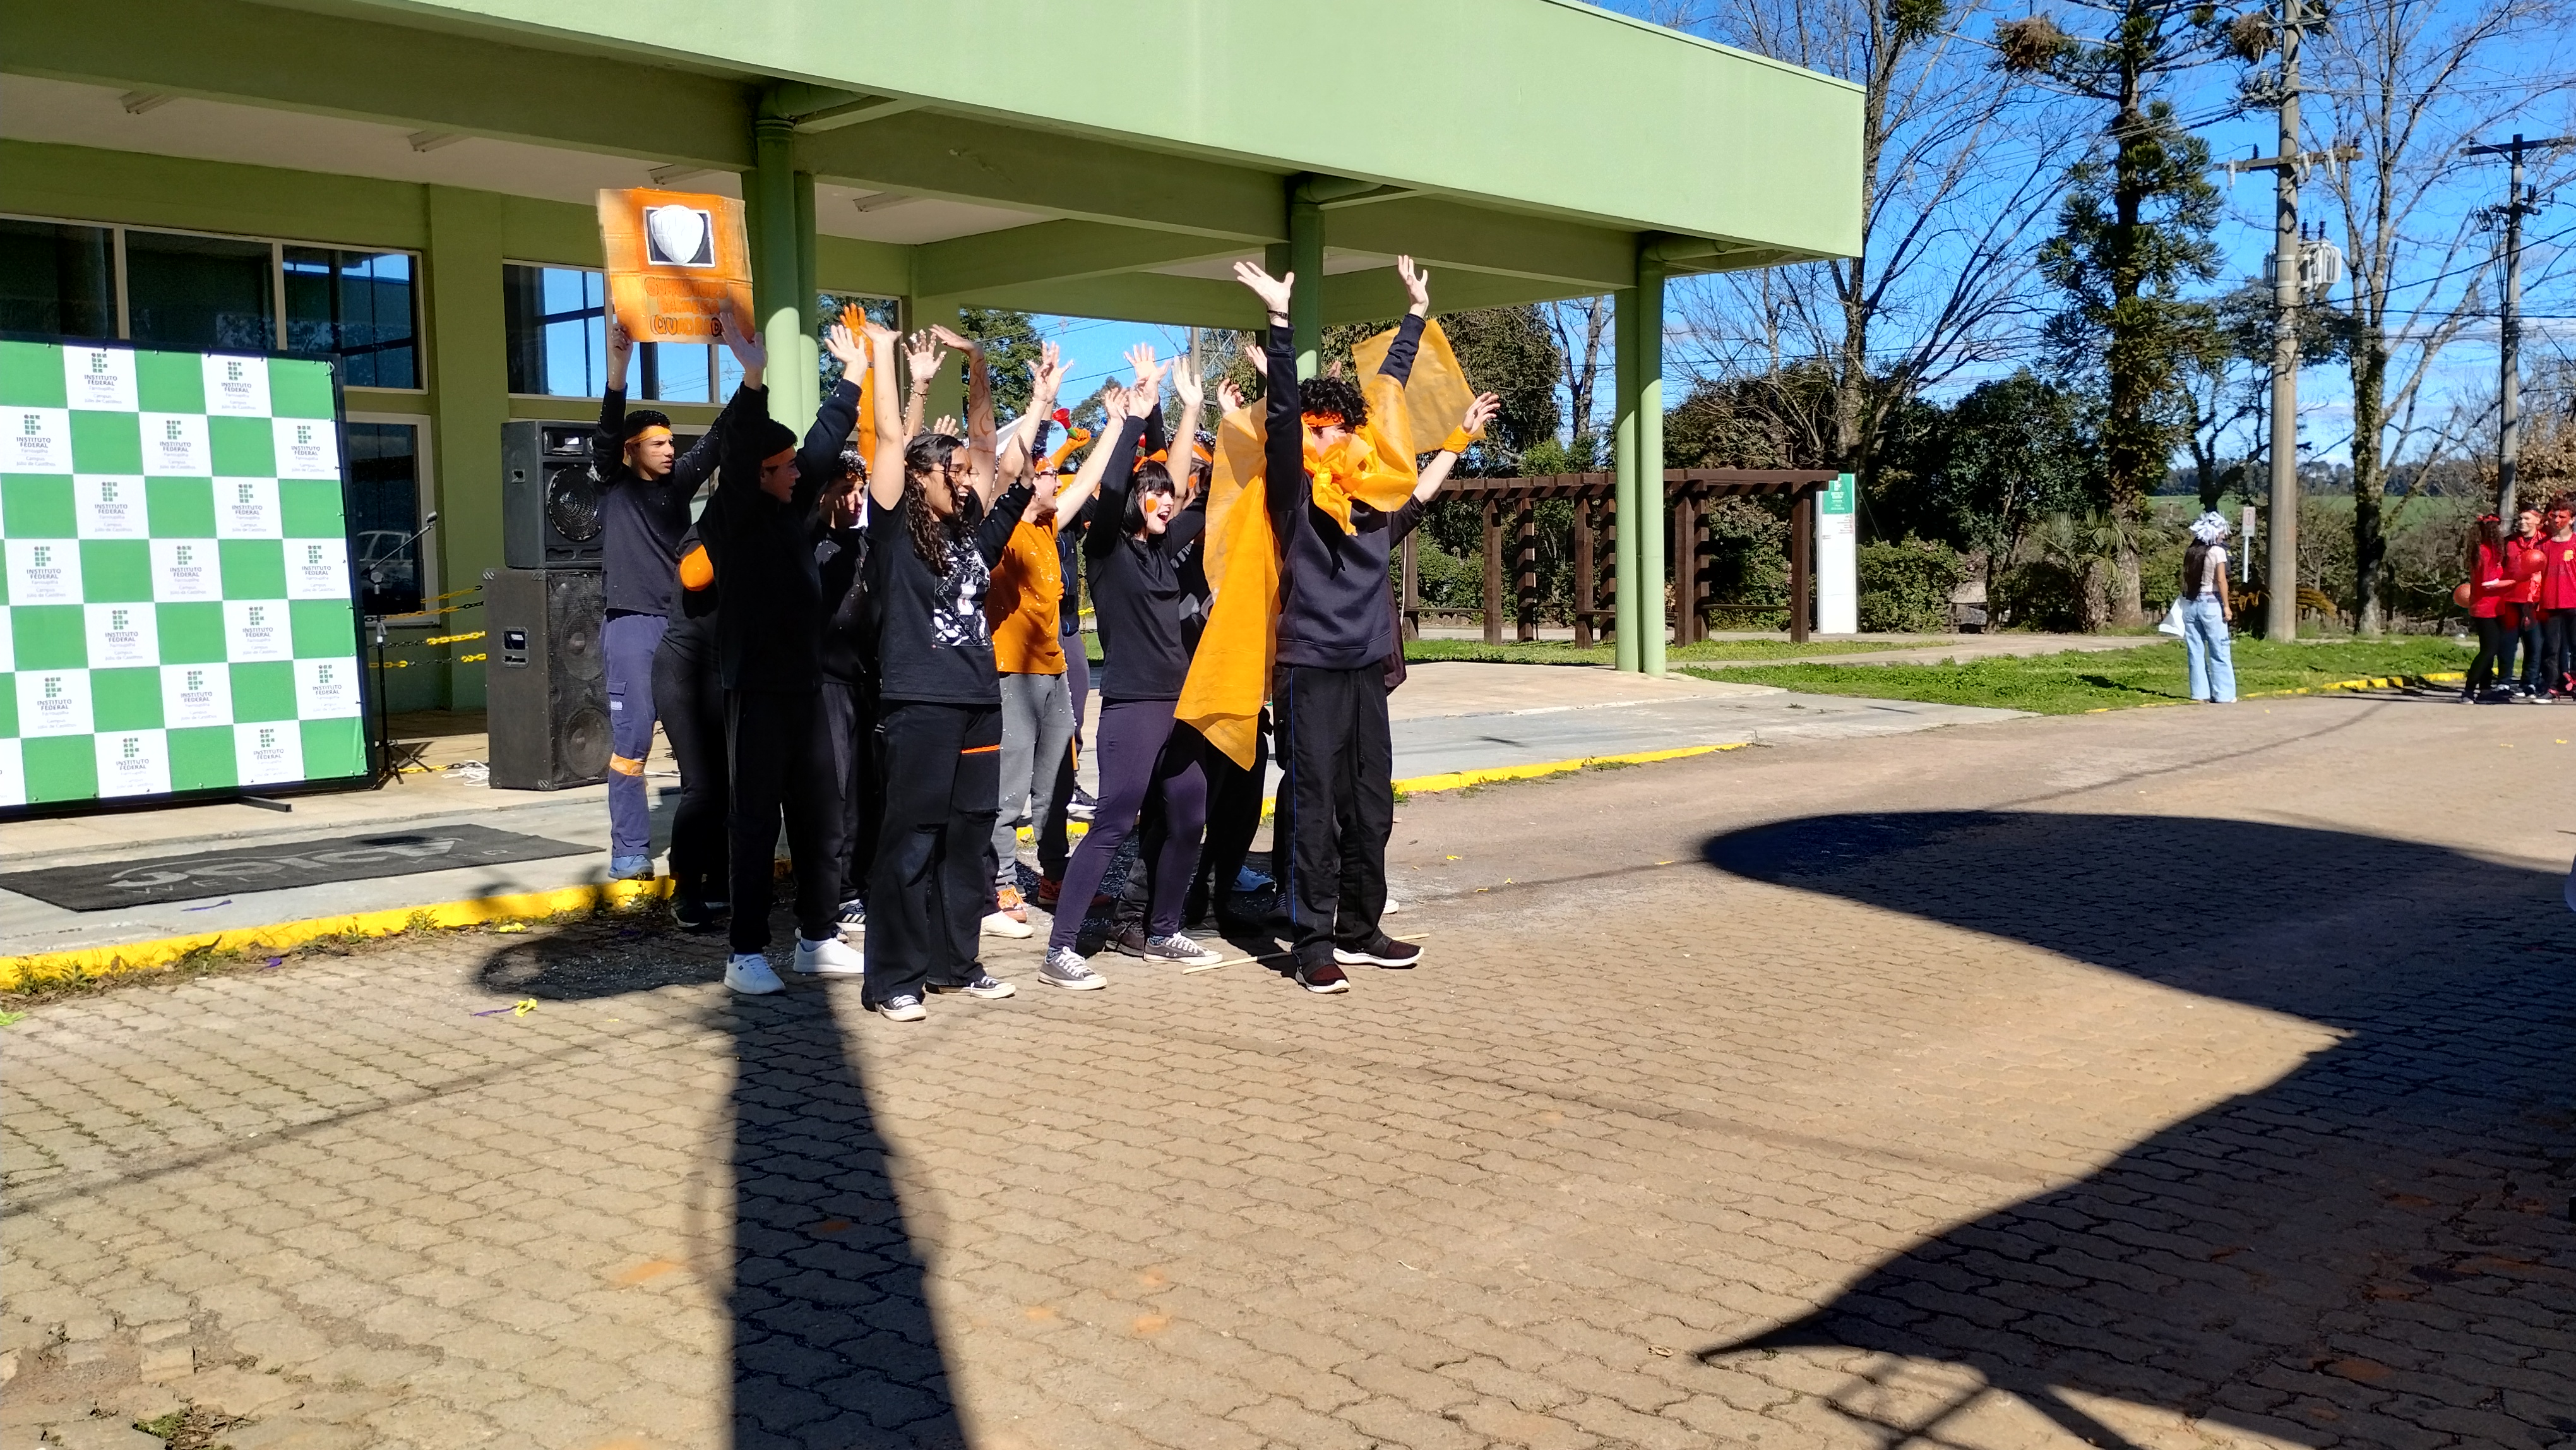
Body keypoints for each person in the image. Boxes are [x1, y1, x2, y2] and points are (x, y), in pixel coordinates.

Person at [1209, 256, 1494, 993]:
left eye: (1341, 428)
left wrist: (1417, 322)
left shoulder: (1374, 503)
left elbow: (1396, 419)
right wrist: (1279, 323)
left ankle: (1360, 929)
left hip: (1365, 667)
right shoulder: (1292, 498)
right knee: (1313, 807)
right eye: (1319, 430)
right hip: (1309, 667)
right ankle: (1311, 943)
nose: (1330, 439)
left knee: (1371, 806)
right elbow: (1280, 422)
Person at [856, 321, 1062, 1019]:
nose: (966, 477)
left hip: (979, 701)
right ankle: (894, 979)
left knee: (970, 837)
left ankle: (955, 964)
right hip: (919, 703)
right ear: (920, 478)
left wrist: (1032, 402)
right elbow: (891, 439)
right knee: (911, 839)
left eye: (968, 472)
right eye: (952, 470)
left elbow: (1005, 464)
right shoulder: (893, 529)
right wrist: (884, 355)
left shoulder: (973, 534)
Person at [1043, 351, 1231, 981]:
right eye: (1154, 496)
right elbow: (1120, 486)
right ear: (1132, 502)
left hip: (1181, 704)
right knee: (1114, 821)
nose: (1165, 503)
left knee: (1190, 816)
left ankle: (1163, 930)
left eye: (1169, 497)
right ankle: (1060, 949)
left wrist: (1207, 413)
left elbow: (1204, 492)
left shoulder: (1165, 544)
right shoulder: (1105, 550)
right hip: (1133, 705)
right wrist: (1133, 419)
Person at [700, 315, 870, 995]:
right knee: (754, 820)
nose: (799, 471)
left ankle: (816, 937)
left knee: (820, 814)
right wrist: (752, 377)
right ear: (758, 474)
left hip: (805, 687)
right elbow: (742, 446)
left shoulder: (793, 507)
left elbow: (824, 444)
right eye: (785, 465)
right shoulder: (733, 517)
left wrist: (854, 375)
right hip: (757, 689)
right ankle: (744, 952)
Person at [595, 314, 723, 880]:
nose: (671, 450)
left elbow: (718, 439)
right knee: (632, 741)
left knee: (701, 739)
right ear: (631, 451)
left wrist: (752, 372)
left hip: (680, 627)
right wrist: (619, 368)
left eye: (672, 442)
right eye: (659, 443)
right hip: (631, 626)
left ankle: (707, 853)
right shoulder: (613, 483)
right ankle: (629, 850)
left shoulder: (680, 483)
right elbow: (605, 432)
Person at [983, 418, 1078, 939]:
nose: (1057, 481)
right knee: (1010, 789)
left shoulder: (1047, 526)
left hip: (1053, 671)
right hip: (1012, 673)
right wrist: (1038, 407)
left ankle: (1054, 877)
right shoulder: (1005, 532)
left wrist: (1120, 425)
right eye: (1047, 474)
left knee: (1056, 785)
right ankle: (1000, 883)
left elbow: (1084, 483)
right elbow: (1005, 474)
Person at [815, 443, 881, 939]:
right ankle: (835, 890)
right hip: (824, 685)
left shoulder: (866, 547)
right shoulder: (808, 544)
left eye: (860, 491)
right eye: (845, 491)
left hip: (864, 682)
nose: (856, 501)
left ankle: (858, 881)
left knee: (865, 789)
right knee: (835, 792)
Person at [654, 522, 727, 927]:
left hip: (724, 674)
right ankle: (685, 891)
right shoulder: (708, 530)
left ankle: (719, 884)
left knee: (730, 785)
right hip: (684, 671)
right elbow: (694, 576)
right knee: (702, 786)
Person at [2179, 511, 2235, 705]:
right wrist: (2226, 606)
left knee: (2195, 650)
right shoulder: (2218, 552)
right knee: (2219, 648)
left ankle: (2199, 693)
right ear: (2214, 533)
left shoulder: (2191, 552)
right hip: (2211, 602)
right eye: (2222, 532)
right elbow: (2221, 580)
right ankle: (2224, 694)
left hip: (2191, 603)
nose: (2224, 535)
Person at [2463, 514, 2519, 704]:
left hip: (2494, 607)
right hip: (2485, 608)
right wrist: (2512, 583)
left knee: (2488, 649)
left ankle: (2485, 690)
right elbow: (2488, 584)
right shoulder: (2485, 551)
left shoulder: (2485, 550)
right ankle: (2468, 690)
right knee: (2489, 650)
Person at [2536, 496, 2576, 701]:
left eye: (2563, 517)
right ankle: (2551, 687)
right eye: (2554, 516)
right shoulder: (2542, 546)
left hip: (2574, 603)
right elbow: (2534, 577)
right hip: (2550, 604)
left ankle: (2574, 684)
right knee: (2551, 649)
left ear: (2572, 519)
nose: (2557, 520)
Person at [2504, 507, 2546, 698]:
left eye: (2527, 518)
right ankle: (2504, 683)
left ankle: (2529, 683)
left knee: (2534, 645)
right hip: (2511, 599)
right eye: (2520, 518)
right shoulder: (2509, 542)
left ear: (2538, 521)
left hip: (2535, 600)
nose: (2522, 522)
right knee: (2508, 644)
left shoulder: (2545, 542)